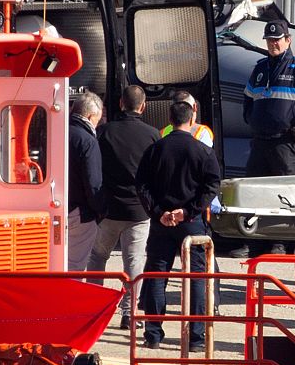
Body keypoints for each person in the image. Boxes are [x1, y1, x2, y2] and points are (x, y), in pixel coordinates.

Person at [233, 19, 295, 258]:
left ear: (288, 40)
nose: (273, 44)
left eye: (277, 40)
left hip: (285, 142)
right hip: (260, 140)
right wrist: (250, 118)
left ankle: (280, 242)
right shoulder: (260, 68)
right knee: (253, 191)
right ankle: (253, 242)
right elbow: (247, 98)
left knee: (284, 193)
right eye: (269, 40)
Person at [135, 101, 221, 351]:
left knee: (157, 275)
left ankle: (153, 334)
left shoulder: (155, 149)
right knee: (195, 278)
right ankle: (196, 338)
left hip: (161, 223)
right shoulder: (202, 151)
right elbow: (211, 186)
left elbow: (142, 185)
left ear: (170, 120)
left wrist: (158, 212)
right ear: (192, 119)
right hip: (191, 224)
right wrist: (188, 211)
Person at [86, 85, 160, 330]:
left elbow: (94, 168)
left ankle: (94, 309)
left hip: (108, 209)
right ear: (143, 106)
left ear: (120, 104)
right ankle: (130, 314)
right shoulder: (153, 135)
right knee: (134, 261)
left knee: (98, 257)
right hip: (139, 210)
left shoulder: (104, 131)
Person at [68, 92, 104, 271]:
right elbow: (93, 183)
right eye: (98, 119)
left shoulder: (55, 130)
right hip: (80, 213)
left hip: (54, 208)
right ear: (90, 116)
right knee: (75, 265)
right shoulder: (88, 141)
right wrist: (99, 211)